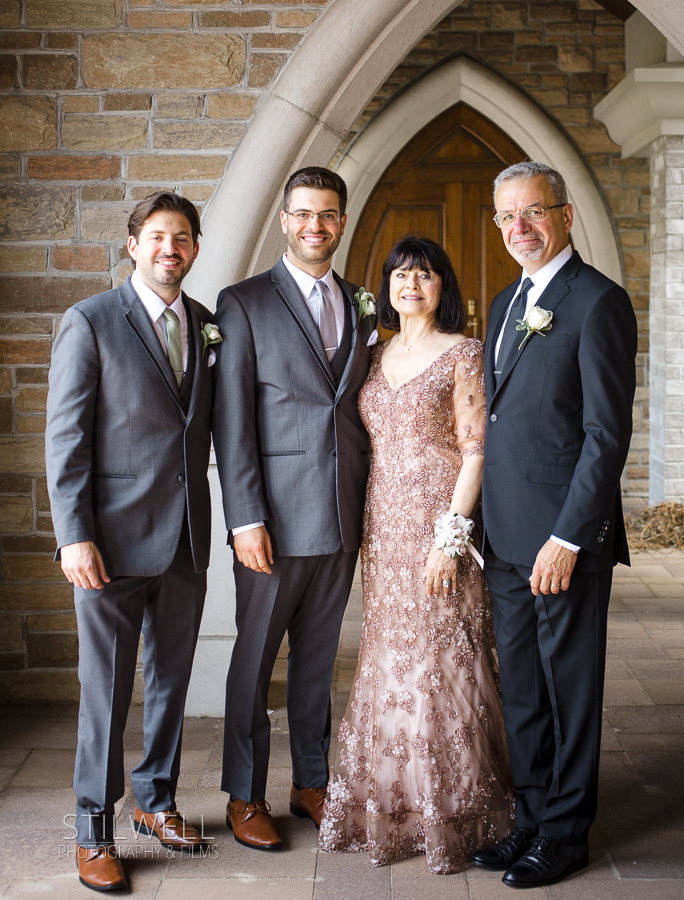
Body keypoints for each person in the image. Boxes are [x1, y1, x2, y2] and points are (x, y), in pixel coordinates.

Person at [318, 235, 514, 874]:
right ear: (388, 287)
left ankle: (456, 806)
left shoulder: (463, 354)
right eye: (401, 275)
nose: (411, 285)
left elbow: (477, 450)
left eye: (425, 276)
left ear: (442, 288)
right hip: (383, 528)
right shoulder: (371, 354)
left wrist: (451, 538)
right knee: (389, 655)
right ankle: (395, 802)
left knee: (445, 657)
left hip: (436, 524)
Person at [472, 162, 637, 888]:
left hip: (560, 539)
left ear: (565, 216)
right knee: (523, 692)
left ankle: (567, 834)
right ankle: (531, 820)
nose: (520, 229)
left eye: (534, 212)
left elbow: (606, 434)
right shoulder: (508, 301)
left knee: (569, 691)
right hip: (504, 538)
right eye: (508, 217)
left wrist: (570, 537)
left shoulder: (598, 302)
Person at [45, 192, 216, 892]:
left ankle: (157, 802)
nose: (169, 248)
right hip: (108, 545)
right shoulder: (89, 322)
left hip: (183, 538)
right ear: (132, 245)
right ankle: (94, 828)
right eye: (156, 237)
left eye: (181, 237)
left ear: (195, 249)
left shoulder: (206, 325)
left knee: (171, 683)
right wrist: (73, 536)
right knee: (106, 693)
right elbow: (66, 439)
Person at [212, 167, 377, 851]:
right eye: (305, 214)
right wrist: (245, 518)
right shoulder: (244, 301)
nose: (317, 226)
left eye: (330, 215)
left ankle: (313, 780)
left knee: (317, 660)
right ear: (285, 219)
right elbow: (233, 420)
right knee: (254, 663)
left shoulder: (364, 303)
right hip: (273, 523)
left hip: (342, 515)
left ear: (342, 221)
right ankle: (245, 794)